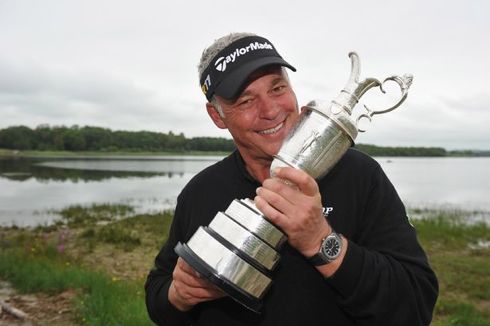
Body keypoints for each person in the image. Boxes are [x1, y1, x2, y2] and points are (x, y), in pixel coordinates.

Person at [145, 32, 438, 325]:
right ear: (217, 116)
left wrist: (321, 241)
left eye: (278, 88)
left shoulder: (360, 176)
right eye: (246, 100)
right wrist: (178, 296)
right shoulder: (201, 191)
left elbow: (415, 304)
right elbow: (159, 299)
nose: (271, 111)